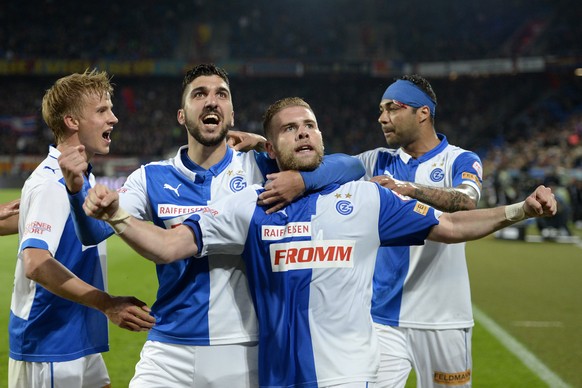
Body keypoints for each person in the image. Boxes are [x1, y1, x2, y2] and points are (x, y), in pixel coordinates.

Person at [80, 97, 556, 388]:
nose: (303, 131)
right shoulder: (249, 206)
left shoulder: (367, 199)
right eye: (289, 128)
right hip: (276, 379)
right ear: (270, 149)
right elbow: (168, 247)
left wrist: (520, 211)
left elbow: (452, 229)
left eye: (310, 124)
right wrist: (118, 215)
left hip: (349, 378)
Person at [59, 64, 364, 387]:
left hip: (244, 347)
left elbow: (351, 166)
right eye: (199, 94)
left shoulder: (262, 169)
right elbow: (93, 232)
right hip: (169, 348)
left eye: (221, 94)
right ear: (181, 115)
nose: (211, 101)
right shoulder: (151, 178)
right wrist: (77, 191)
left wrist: (296, 174)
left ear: (231, 115)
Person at [8, 69, 155, 388]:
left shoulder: (79, 178)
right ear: (72, 121)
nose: (113, 118)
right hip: (50, 345)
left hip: (74, 335)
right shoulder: (52, 183)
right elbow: (35, 262)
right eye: (102, 110)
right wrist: (107, 303)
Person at [355, 75, 482, 387]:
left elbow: (465, 202)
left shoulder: (460, 159)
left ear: (422, 113)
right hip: (383, 319)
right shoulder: (376, 161)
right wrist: (264, 146)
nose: (382, 118)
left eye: (392, 108)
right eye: (380, 110)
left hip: (444, 321)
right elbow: (323, 168)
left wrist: (407, 188)